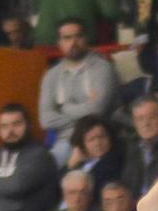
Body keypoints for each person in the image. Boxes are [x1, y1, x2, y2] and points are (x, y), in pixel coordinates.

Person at [39, 18, 119, 167]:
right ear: (59, 43)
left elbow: (97, 110)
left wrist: (64, 108)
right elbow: (46, 120)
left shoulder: (102, 68)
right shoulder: (51, 75)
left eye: (78, 36)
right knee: (43, 169)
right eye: (67, 38)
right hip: (65, 141)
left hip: (98, 139)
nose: (73, 42)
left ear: (86, 38)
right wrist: (86, 107)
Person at [66, 115, 124, 196]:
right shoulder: (79, 161)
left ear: (110, 137)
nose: (98, 143)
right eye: (91, 139)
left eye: (101, 137)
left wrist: (70, 168)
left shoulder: (112, 161)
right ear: (82, 144)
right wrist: (71, 165)